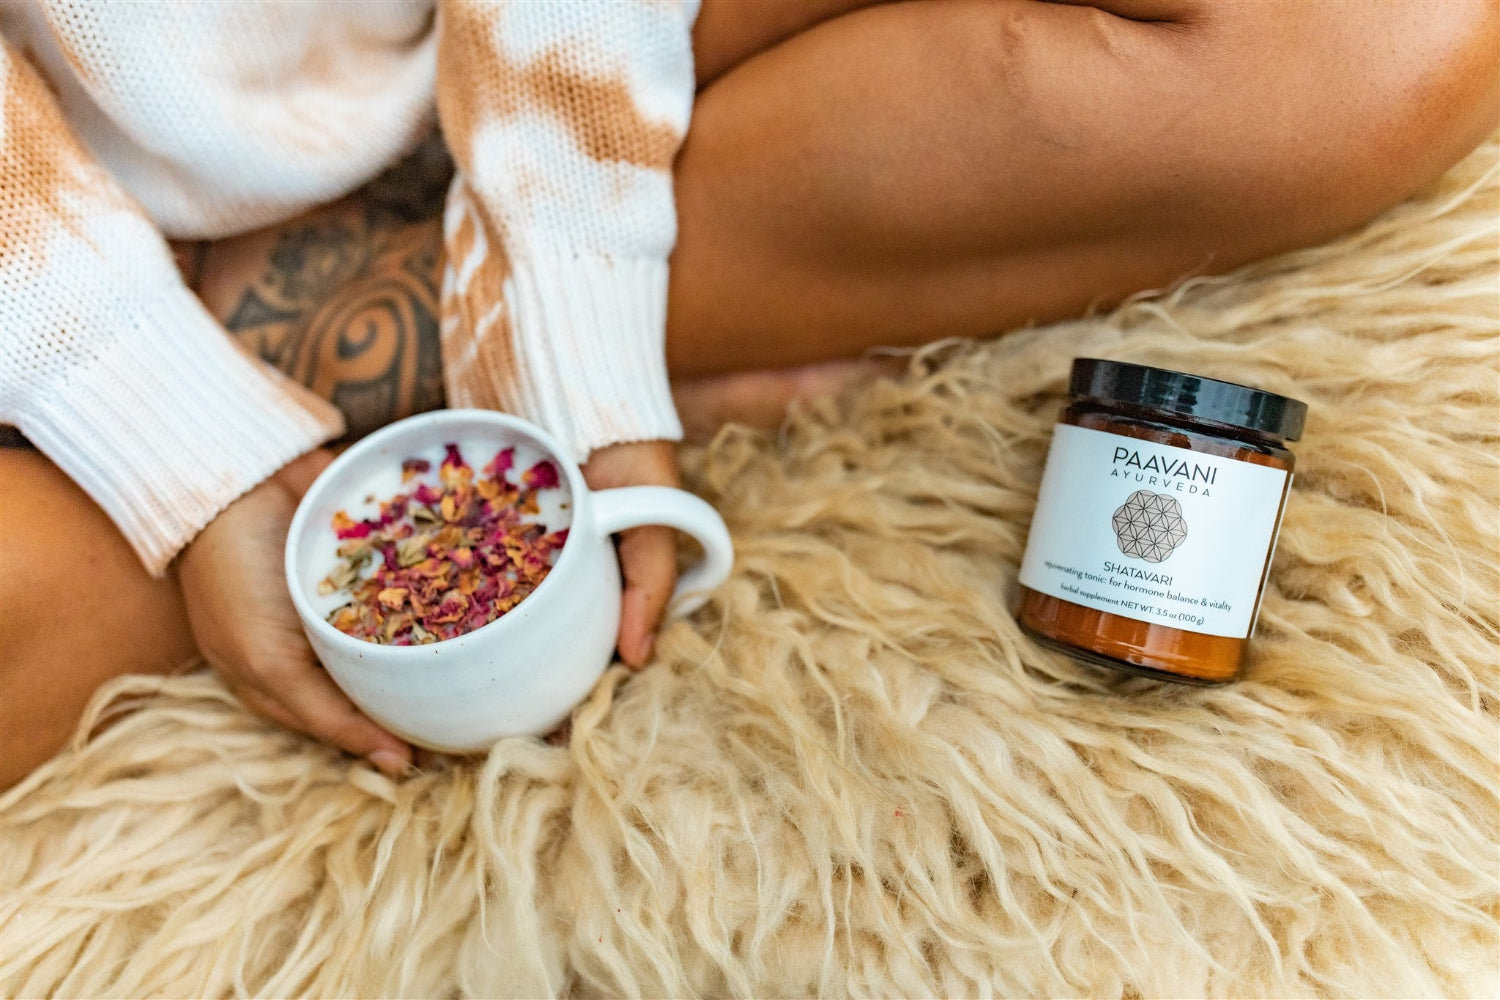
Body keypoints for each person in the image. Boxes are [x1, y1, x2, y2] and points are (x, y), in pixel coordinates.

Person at [1, 0, 1494, 790]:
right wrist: (151, 418)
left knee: (1374, 33)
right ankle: (359, 376)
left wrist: (567, 272)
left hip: (570, 42)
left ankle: (367, 328)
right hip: (37, 240)